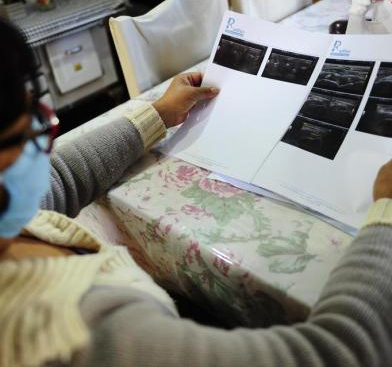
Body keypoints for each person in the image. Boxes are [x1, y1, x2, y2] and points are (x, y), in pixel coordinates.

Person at [1, 19, 392, 367]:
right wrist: (386, 216)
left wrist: (157, 115)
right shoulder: (72, 329)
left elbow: (62, 178)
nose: (44, 144)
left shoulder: (12, 217)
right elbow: (341, 352)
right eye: (32, 127)